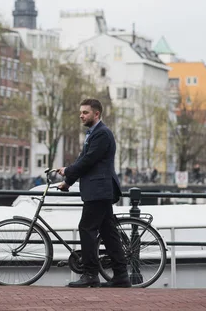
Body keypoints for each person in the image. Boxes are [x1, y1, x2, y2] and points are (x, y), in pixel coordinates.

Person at [56, 98, 131, 288]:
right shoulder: (93, 133)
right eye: (81, 112)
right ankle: (121, 275)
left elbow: (88, 160)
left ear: (96, 114)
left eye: (85, 112)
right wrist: (68, 182)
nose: (81, 115)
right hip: (99, 190)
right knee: (108, 232)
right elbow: (85, 160)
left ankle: (90, 274)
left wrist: (68, 171)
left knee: (86, 228)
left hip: (99, 190)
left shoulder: (102, 134)